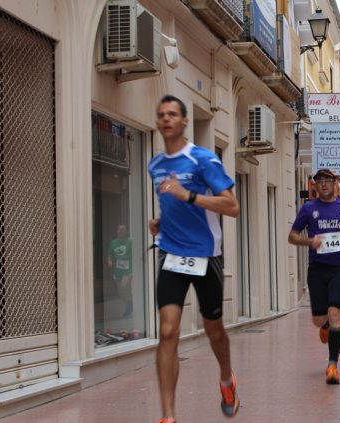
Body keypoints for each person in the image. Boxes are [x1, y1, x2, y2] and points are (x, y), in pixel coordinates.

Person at [148, 95, 240, 423]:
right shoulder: (155, 166)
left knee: (213, 329)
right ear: (157, 122)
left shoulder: (203, 160)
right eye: (161, 115)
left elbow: (232, 207)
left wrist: (188, 195)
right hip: (170, 253)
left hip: (205, 255)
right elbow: (170, 206)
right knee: (168, 330)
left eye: (173, 114)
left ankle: (227, 380)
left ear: (185, 121)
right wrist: (160, 223)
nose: (166, 119)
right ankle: (168, 416)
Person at [288, 168, 340, 385]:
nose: (322, 184)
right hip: (317, 268)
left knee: (335, 312)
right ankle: (324, 328)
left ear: (335, 184)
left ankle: (333, 364)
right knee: (318, 319)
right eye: (318, 181)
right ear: (315, 185)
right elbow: (292, 236)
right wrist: (309, 242)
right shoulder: (308, 209)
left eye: (326, 180)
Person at [107, 224, 133, 318]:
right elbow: (110, 254)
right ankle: (129, 302)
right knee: (120, 290)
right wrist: (109, 261)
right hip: (118, 270)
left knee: (124, 285)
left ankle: (129, 306)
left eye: (122, 229)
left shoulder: (130, 242)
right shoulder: (113, 243)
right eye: (119, 230)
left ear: (126, 231)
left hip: (128, 269)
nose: (120, 231)